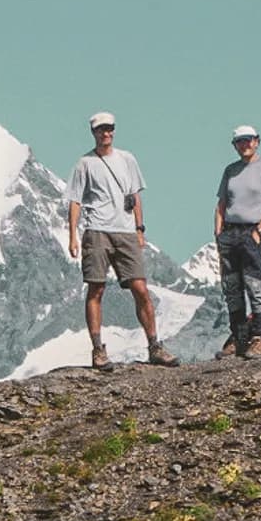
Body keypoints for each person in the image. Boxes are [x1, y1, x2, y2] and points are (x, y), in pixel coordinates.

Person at [66, 112, 179, 369]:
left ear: (114, 131)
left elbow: (135, 195)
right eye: (100, 130)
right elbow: (75, 201)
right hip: (96, 230)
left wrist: (140, 228)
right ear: (93, 133)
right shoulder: (84, 164)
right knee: (96, 288)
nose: (105, 133)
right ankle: (98, 350)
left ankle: (155, 345)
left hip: (126, 231)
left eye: (109, 129)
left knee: (140, 288)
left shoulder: (127, 159)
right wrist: (72, 235)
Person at [213, 124, 261, 358]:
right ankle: (239, 338)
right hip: (229, 234)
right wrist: (218, 233)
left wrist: (260, 230)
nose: (245, 145)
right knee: (232, 288)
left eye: (249, 140)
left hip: (251, 232)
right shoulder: (230, 171)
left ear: (257, 141)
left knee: (254, 285)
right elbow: (222, 203)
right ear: (235, 145)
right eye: (240, 141)